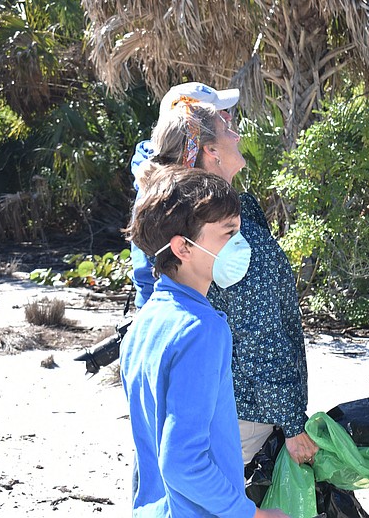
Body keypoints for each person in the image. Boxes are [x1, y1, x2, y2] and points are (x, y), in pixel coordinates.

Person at [130, 87, 318, 468]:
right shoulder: (220, 230)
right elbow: (256, 333)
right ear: (211, 152)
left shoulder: (225, 210)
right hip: (246, 412)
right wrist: (292, 423)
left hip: (243, 404)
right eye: (226, 127)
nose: (236, 132)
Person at [121, 164, 288, 518]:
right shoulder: (202, 329)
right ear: (183, 247)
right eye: (229, 234)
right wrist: (251, 514)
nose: (240, 245)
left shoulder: (145, 322)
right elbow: (183, 461)